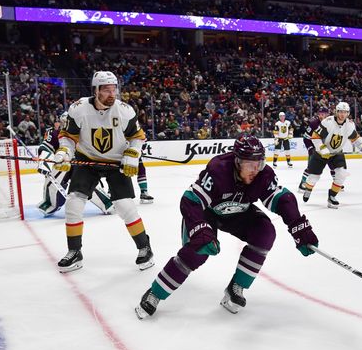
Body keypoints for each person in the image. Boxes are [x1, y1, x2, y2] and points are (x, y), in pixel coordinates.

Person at [134, 134, 319, 318]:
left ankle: (236, 287)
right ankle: (155, 293)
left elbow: (283, 200)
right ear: (238, 162)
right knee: (197, 253)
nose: (256, 170)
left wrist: (299, 227)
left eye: (260, 163)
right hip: (208, 213)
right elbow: (191, 200)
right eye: (250, 165)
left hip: (238, 213)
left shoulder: (264, 174)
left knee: (265, 232)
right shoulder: (218, 170)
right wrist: (199, 228)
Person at [54, 70, 154, 273]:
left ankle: (145, 248)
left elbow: (138, 136)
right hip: (87, 160)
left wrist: (132, 154)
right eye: (106, 90)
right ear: (96, 90)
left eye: (114, 89)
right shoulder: (79, 108)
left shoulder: (125, 110)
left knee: (125, 206)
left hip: (116, 163)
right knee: (73, 203)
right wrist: (64, 152)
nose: (112, 94)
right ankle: (75, 252)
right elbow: (68, 135)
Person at [36, 112, 112, 216]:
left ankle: (106, 203)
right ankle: (50, 204)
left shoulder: (85, 133)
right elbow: (45, 147)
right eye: (62, 122)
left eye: (66, 122)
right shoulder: (53, 133)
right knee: (52, 182)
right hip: (62, 164)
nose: (64, 125)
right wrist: (44, 159)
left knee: (89, 184)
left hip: (80, 164)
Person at [302, 101, 362, 209]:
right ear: (336, 112)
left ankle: (332, 197)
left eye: (345, 112)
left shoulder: (350, 125)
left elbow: (355, 138)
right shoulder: (327, 122)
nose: (342, 114)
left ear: (348, 113)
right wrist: (322, 148)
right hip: (321, 153)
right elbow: (315, 136)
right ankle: (308, 189)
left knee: (341, 174)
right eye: (340, 112)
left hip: (337, 153)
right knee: (313, 177)